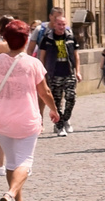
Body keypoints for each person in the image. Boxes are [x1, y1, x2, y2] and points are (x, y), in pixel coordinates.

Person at [0, 19, 59, 201]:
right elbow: (45, 91)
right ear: (25, 41)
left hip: (1, 119)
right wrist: (54, 109)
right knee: (25, 161)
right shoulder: (33, 63)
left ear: (5, 39)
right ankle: (11, 194)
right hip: (27, 118)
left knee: (12, 161)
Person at [30, 8, 81, 138]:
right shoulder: (47, 38)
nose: (61, 27)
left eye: (63, 24)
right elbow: (42, 56)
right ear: (54, 24)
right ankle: (59, 126)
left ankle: (64, 119)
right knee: (56, 101)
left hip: (69, 72)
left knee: (71, 97)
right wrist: (43, 72)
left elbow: (76, 55)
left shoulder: (70, 37)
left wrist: (78, 71)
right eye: (59, 24)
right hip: (54, 73)